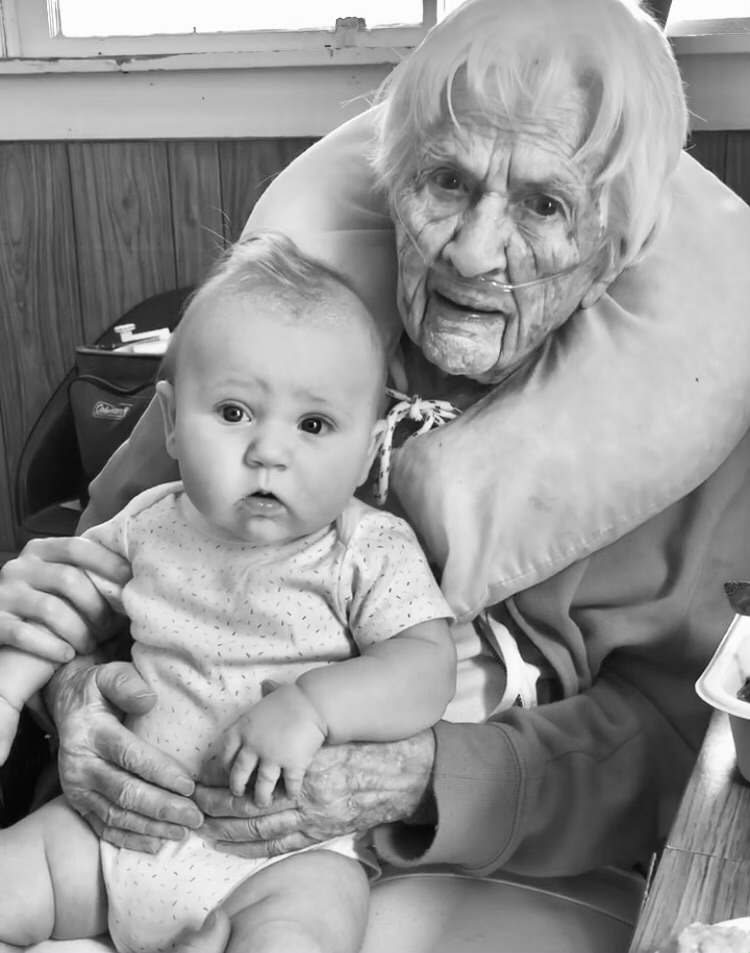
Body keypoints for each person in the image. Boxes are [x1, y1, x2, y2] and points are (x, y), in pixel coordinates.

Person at [3, 0, 750, 925]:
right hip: (146, 828)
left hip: (484, 872)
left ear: (611, 252)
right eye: (446, 182)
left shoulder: (685, 415)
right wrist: (69, 695)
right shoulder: (266, 345)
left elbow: (685, 732)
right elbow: (91, 582)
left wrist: (427, 774)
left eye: (544, 204)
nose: (475, 253)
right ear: (392, 186)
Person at [0, 233, 458, 953]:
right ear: (173, 421)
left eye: (313, 425)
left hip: (281, 861)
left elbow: (427, 664)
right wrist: (7, 690)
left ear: (370, 451)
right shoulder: (147, 524)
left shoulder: (364, 549)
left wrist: (316, 707)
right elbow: (59, 604)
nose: (268, 450)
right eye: (235, 412)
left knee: (305, 929)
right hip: (115, 835)